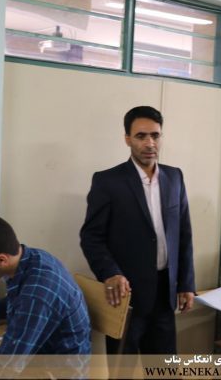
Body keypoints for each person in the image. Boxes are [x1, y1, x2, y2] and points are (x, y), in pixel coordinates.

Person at [80, 106, 195, 354]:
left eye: (155, 135)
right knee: (123, 367)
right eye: (141, 136)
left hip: (165, 295)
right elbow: (91, 237)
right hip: (125, 296)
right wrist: (110, 273)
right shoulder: (108, 181)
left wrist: (186, 283)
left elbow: (184, 235)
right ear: (127, 139)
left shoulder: (175, 177)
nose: (149, 143)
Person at [0, 212, 91, 355]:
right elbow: (19, 301)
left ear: (2, 260)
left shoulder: (36, 294)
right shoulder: (31, 258)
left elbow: (8, 361)